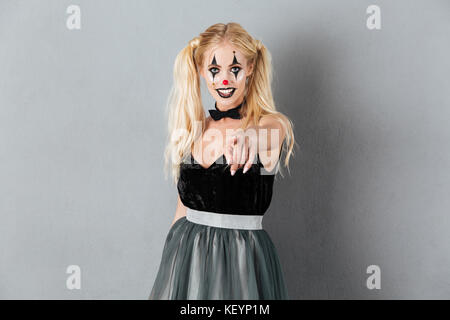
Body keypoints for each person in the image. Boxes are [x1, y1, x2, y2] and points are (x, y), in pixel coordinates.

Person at [149, 22, 296, 300]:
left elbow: (270, 135)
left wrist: (248, 139)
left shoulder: (270, 125)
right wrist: (169, 274)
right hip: (187, 263)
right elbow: (182, 210)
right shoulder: (193, 129)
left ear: (250, 68)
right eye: (215, 70)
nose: (224, 80)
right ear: (202, 71)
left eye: (235, 69)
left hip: (241, 264)